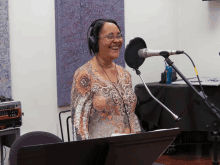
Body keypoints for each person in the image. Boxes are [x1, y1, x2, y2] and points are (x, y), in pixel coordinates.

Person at [71, 19, 141, 141]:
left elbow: (131, 115)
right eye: (110, 36)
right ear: (95, 42)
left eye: (119, 36)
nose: (117, 41)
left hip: (130, 148)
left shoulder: (125, 74)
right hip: (101, 152)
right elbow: (79, 125)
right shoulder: (84, 75)